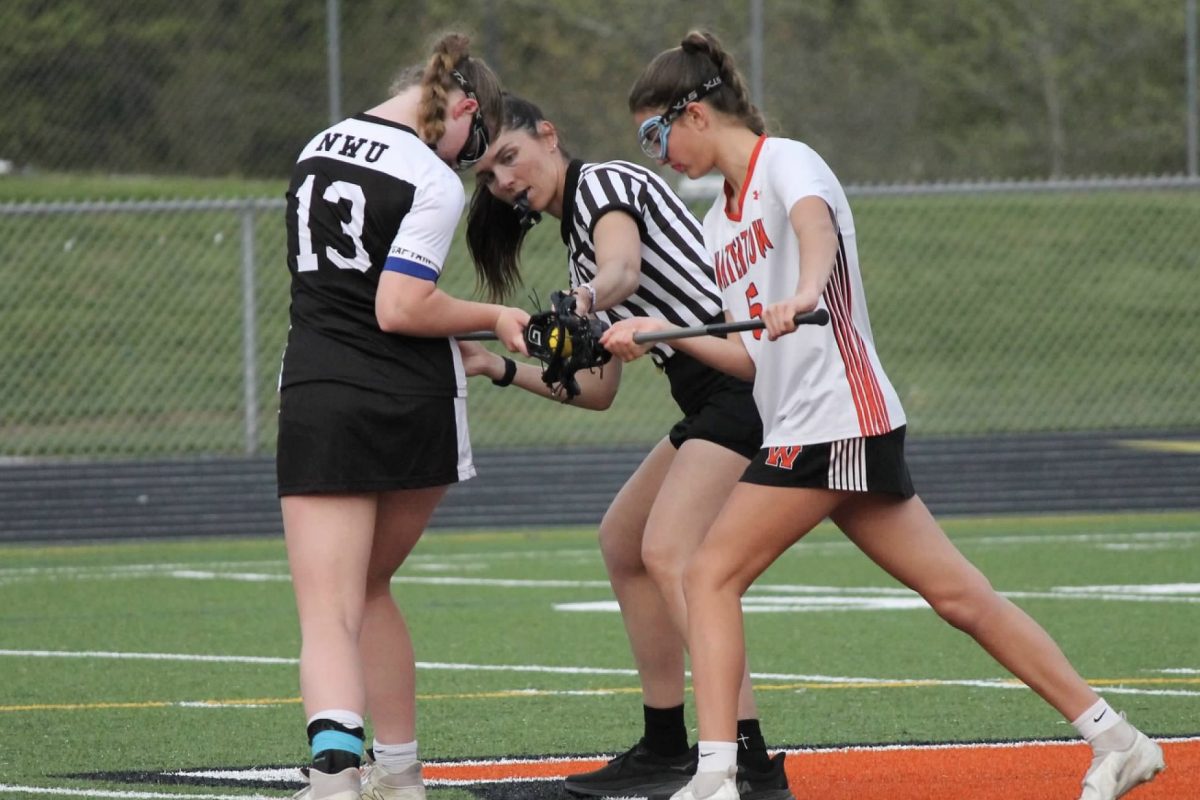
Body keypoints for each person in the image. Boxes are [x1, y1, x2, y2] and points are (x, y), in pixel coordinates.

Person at [602, 30, 1167, 800]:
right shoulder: (717, 227)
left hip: (836, 419)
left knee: (707, 574)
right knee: (959, 595)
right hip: (810, 424)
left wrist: (804, 290)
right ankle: (1116, 736)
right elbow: (751, 360)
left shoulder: (786, 161)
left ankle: (716, 777)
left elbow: (816, 230)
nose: (658, 153)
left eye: (655, 133)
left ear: (694, 111)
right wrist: (666, 340)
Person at [459, 93, 795, 800]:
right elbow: (599, 388)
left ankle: (752, 763)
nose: (504, 182)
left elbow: (624, 271)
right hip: (708, 397)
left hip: (743, 387)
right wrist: (498, 368)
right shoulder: (577, 238)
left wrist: (585, 300)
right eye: (488, 176)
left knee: (669, 552)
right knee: (624, 539)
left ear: (549, 135)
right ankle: (667, 745)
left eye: (509, 158)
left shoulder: (604, 185)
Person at [277, 33, 529, 800]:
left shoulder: (317, 145)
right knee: (372, 584)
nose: (467, 162)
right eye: (475, 144)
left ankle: (334, 774)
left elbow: (381, 300)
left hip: (323, 390)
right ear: (461, 107)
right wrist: (496, 314)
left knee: (329, 609)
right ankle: (400, 771)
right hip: (414, 399)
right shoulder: (429, 173)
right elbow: (403, 306)